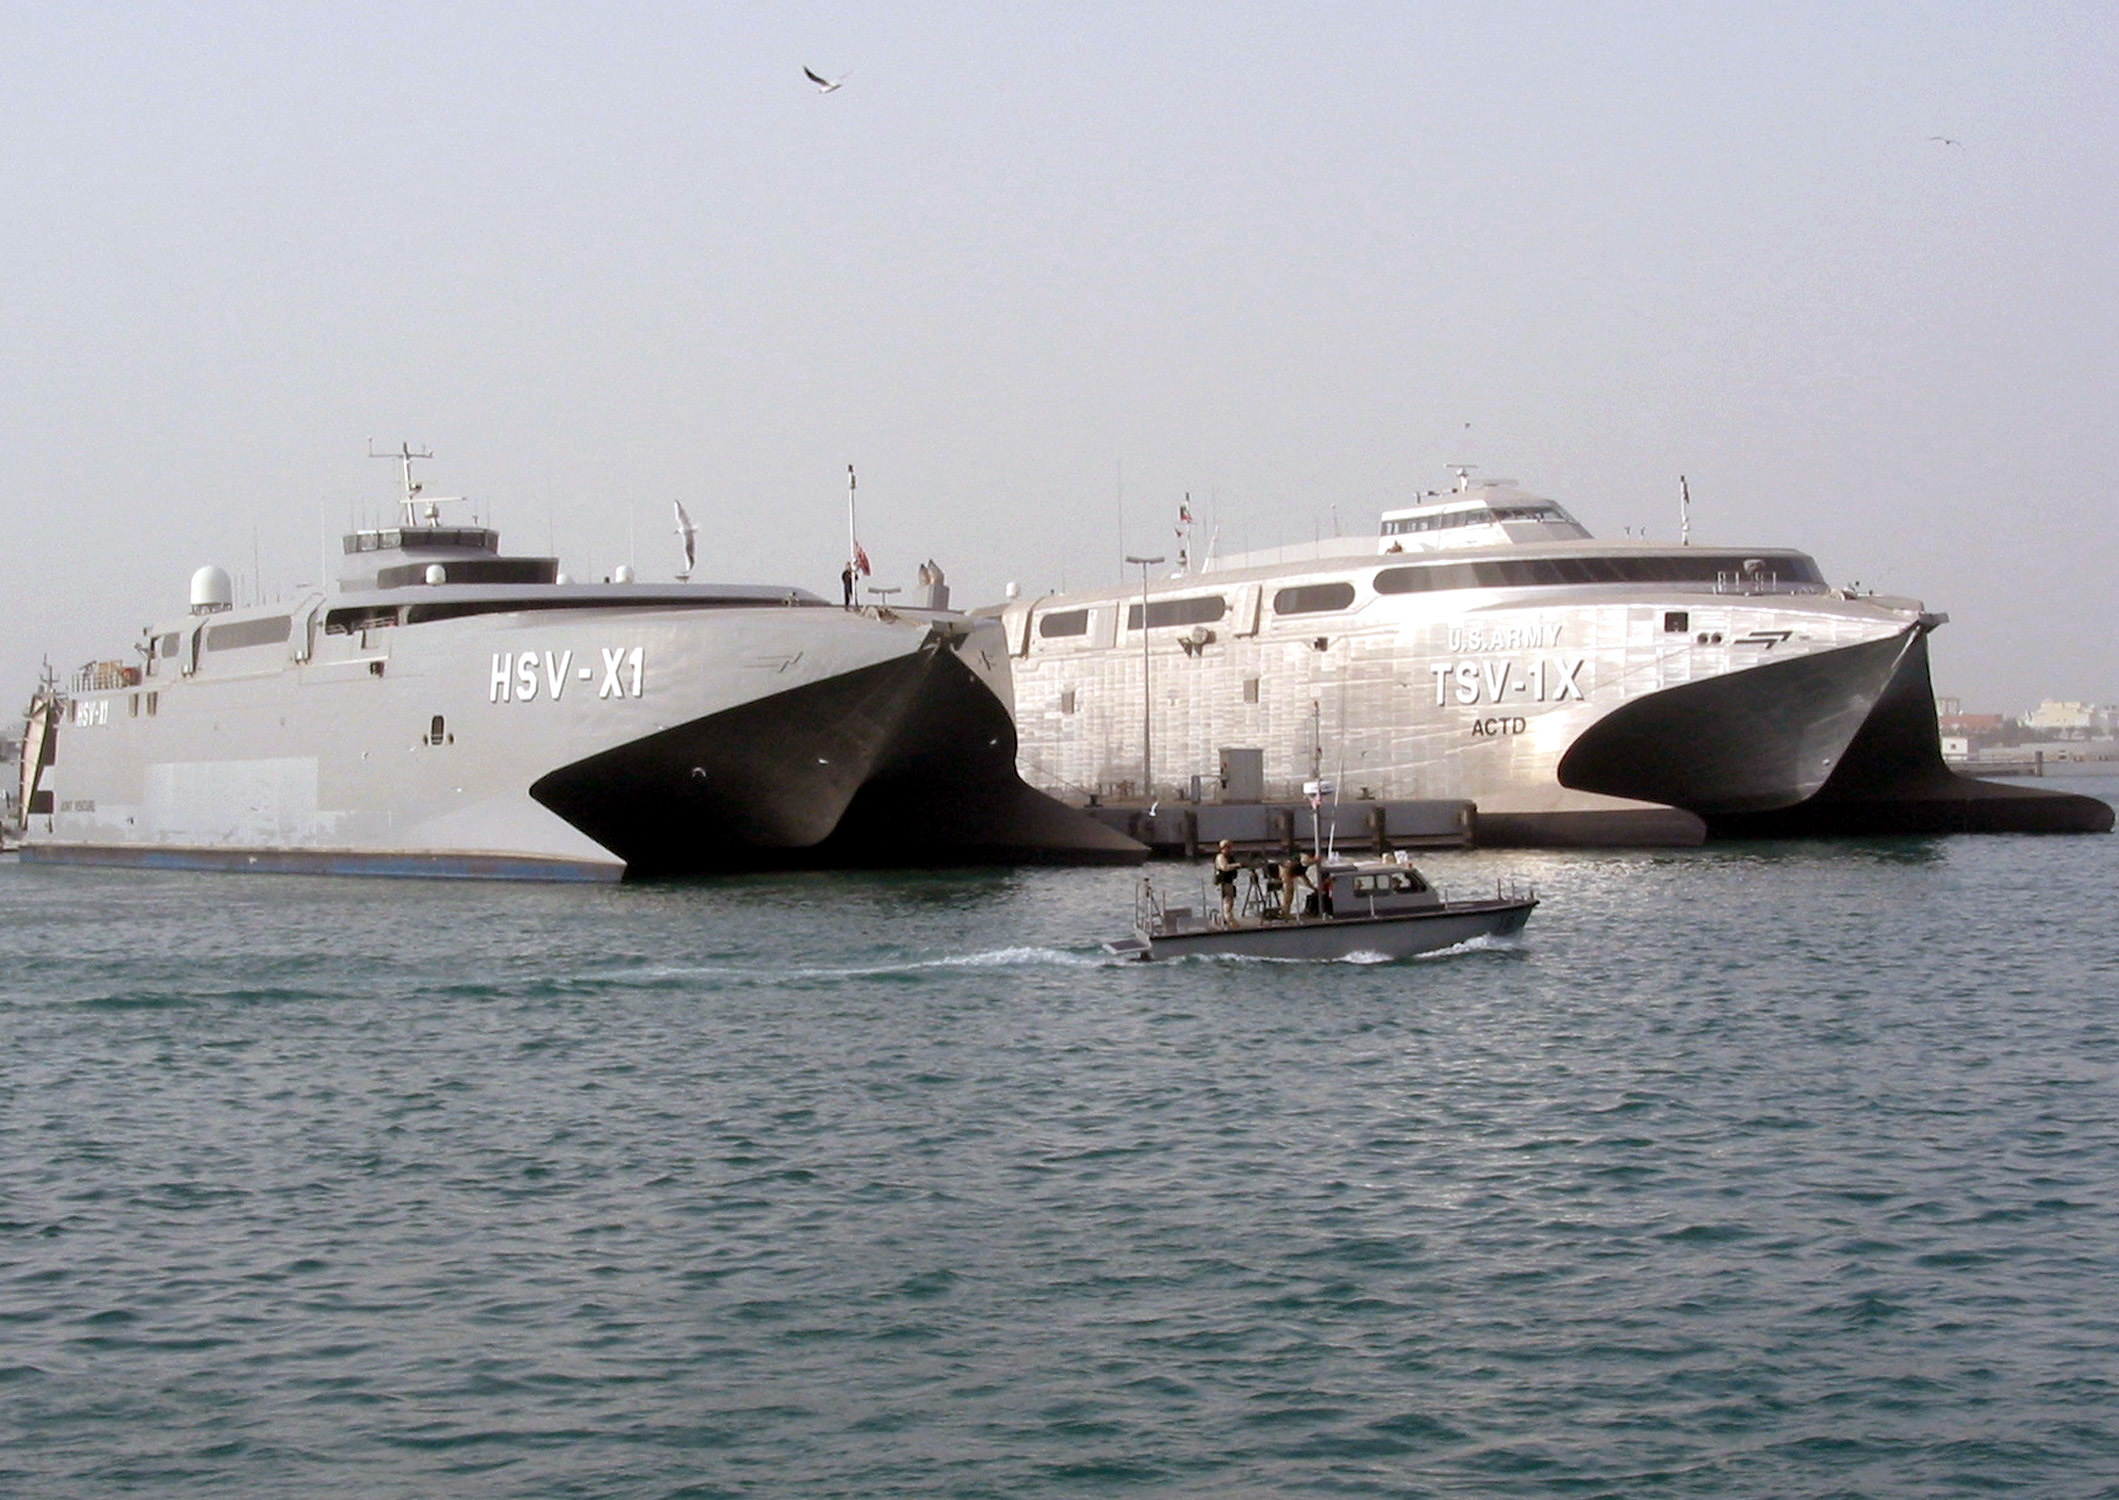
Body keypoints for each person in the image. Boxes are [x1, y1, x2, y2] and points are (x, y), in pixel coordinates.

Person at [1212, 840, 1240, 924]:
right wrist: (1237, 865)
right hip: (1223, 882)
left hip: (1229, 881)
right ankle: (1228, 920)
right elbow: (1225, 867)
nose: (1229, 849)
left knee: (1230, 902)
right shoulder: (1220, 857)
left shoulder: (1229, 857)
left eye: (1229, 847)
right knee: (1227, 902)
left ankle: (1228, 918)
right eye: (1226, 847)